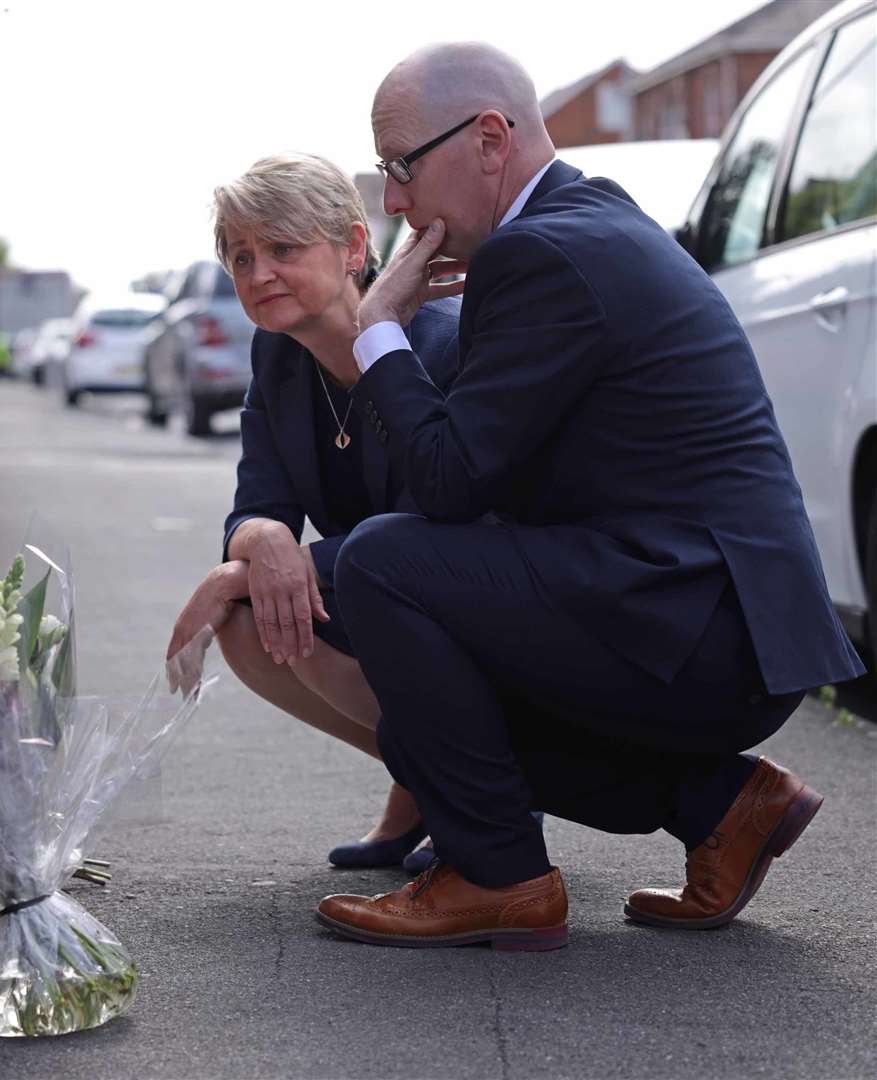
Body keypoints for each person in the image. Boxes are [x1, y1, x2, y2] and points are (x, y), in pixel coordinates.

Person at [313, 42, 865, 951]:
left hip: (698, 626)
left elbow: (445, 483)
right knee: (382, 651)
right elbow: (485, 467)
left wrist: (378, 331)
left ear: (489, 138)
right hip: (701, 616)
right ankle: (724, 806)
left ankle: (498, 877)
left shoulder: (546, 251)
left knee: (379, 567)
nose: (397, 201)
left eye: (400, 168)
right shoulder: (575, 226)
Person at [166, 152, 475, 870]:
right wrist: (263, 536)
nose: (256, 273)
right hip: (383, 597)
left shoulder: (442, 344)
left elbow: (435, 526)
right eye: (239, 256)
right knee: (251, 625)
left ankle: (481, 786)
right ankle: (427, 779)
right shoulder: (277, 358)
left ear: (354, 248)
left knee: (247, 596)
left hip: (478, 602)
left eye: (282, 248)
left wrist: (228, 576)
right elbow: (254, 504)